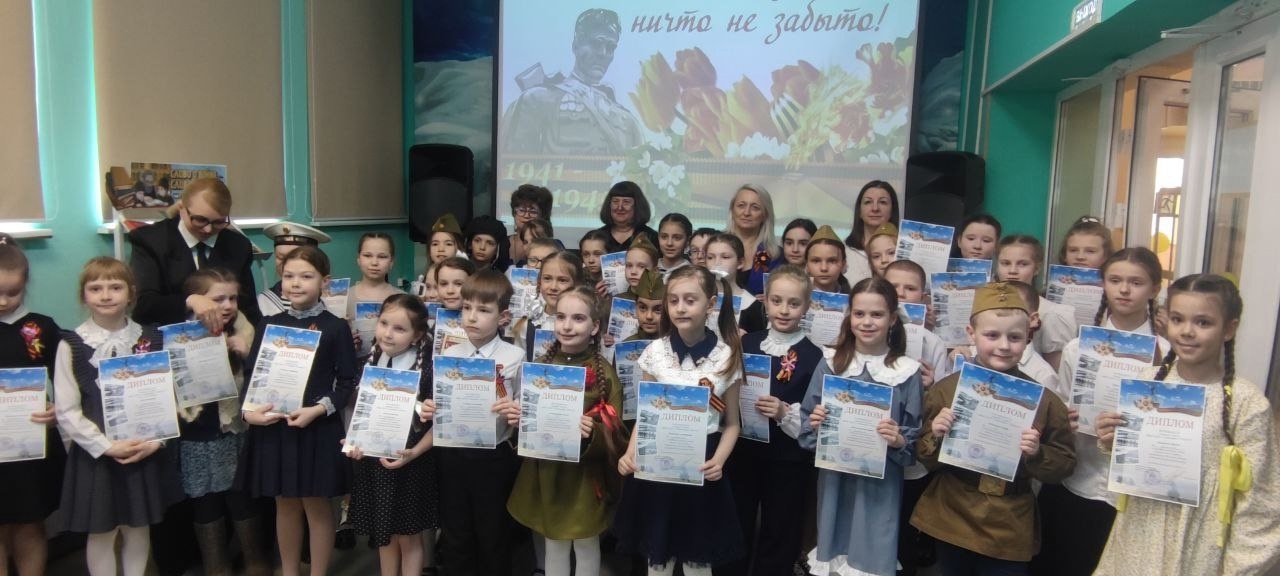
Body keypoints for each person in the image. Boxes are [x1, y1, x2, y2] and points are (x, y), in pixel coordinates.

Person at [1093, 274, 1280, 575]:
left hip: (1201, 544)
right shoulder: (1147, 382)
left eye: (1203, 322)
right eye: (1178, 319)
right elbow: (1136, 467)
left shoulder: (1246, 403)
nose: (1187, 331)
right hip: (1139, 535)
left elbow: (1262, 501)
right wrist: (1114, 441)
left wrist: (1237, 568)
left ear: (1229, 329)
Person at [911, 282, 1076, 575]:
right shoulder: (947, 391)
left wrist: (1037, 453)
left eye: (1014, 337)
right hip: (952, 513)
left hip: (1009, 521)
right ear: (971, 334)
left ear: (1028, 337)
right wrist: (935, 435)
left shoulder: (1044, 401)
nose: (1004, 345)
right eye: (992, 335)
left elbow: (1064, 465)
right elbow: (925, 459)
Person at [1033, 248, 1167, 576]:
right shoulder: (1077, 348)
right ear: (1103, 284)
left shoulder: (1166, 353)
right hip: (1079, 478)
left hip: (1136, 493)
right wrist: (1064, 420)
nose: (1124, 290)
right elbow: (1062, 402)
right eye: (1115, 280)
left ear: (1154, 289)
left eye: (1136, 282)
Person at [613, 265, 746, 574]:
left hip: (702, 465)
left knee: (697, 562)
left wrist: (719, 461)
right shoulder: (655, 352)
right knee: (657, 560)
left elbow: (732, 424)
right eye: (673, 300)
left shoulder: (726, 357)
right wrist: (630, 453)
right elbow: (646, 414)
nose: (680, 308)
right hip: (657, 465)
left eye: (690, 300)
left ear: (710, 304)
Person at [55, 257, 182, 576]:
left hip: (141, 449)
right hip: (97, 455)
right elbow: (66, 410)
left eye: (115, 287)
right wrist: (106, 446)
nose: (106, 295)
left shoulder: (152, 338)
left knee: (138, 528)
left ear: (131, 293)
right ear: (83, 295)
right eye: (96, 288)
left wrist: (156, 442)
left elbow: (169, 397)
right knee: (101, 532)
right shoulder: (71, 344)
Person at [238, 246, 357, 576]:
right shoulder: (269, 325)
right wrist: (249, 413)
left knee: (317, 507)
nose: (296, 283)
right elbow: (252, 375)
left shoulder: (335, 327)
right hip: (275, 428)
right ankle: (289, 571)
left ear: (324, 281)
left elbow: (347, 381)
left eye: (306, 276)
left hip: (316, 428)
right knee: (285, 504)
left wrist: (317, 410)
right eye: (289, 276)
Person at [800, 277, 923, 576]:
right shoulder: (830, 363)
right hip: (835, 480)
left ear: (892, 319)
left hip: (880, 487)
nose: (867, 322)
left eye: (877, 314)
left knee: (871, 559)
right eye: (859, 314)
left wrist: (898, 440)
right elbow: (806, 424)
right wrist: (815, 423)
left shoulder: (906, 372)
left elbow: (914, 437)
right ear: (849, 316)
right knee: (834, 556)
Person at [506, 285, 628, 576]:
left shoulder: (605, 374)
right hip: (548, 472)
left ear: (594, 326)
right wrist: (519, 420)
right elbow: (527, 422)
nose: (567, 326)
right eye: (561, 317)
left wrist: (594, 431)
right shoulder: (539, 369)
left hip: (586, 477)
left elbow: (618, 431)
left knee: (585, 543)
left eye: (578, 318)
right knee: (554, 542)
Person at [418, 270, 525, 576]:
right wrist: (430, 408)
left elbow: (524, 408)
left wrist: (516, 411)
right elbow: (439, 402)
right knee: (456, 530)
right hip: (453, 454)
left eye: (483, 310)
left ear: (503, 317)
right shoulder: (450, 354)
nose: (472, 317)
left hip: (494, 457)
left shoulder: (515, 355)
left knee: (493, 532)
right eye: (467, 308)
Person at [719, 266, 823, 576]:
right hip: (743, 452)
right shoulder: (746, 344)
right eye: (777, 301)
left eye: (794, 303)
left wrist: (783, 412)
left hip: (787, 460)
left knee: (781, 529)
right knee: (735, 523)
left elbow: (814, 417)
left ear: (807, 306)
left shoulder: (815, 356)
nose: (784, 310)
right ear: (766, 302)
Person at [174, 269, 270, 576]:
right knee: (205, 502)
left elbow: (266, 381)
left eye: (232, 298)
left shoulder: (247, 331)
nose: (227, 305)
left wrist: (247, 353)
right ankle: (216, 566)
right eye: (218, 299)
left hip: (237, 431)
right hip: (198, 433)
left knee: (242, 498)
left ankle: (255, 561)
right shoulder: (179, 335)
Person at [345, 295, 439, 576]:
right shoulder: (370, 363)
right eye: (384, 323)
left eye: (399, 328)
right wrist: (354, 442)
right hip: (375, 463)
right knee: (383, 534)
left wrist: (414, 452)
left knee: (408, 538)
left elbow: (438, 426)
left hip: (410, 462)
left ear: (417, 335)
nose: (388, 333)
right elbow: (361, 414)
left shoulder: (428, 369)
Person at [0, 235, 65, 576]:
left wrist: (60, 409)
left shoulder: (42, 327)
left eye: (13, 292)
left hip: (33, 443)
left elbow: (68, 380)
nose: (4, 301)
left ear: (26, 284)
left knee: (30, 522)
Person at [501, 8, 642, 155]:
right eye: (596, 44)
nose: (603, 53)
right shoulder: (537, 99)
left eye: (611, 47)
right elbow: (512, 161)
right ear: (576, 46)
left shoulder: (626, 119)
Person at [882, 259, 947, 576]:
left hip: (912, 459)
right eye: (893, 287)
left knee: (905, 533)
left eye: (910, 288)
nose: (901, 293)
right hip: (872, 450)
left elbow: (943, 403)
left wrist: (931, 385)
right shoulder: (868, 331)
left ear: (923, 296)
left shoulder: (933, 343)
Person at [129, 177, 262, 327]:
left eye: (218, 222)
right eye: (200, 220)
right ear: (182, 209)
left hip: (226, 337)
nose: (208, 229)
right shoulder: (151, 241)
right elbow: (143, 305)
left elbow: (249, 308)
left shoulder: (238, 246)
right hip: (166, 335)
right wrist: (189, 301)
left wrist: (247, 336)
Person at [995, 235, 1077, 371]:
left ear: (1037, 268)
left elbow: (1057, 373)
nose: (1012, 271)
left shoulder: (1051, 314)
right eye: (1005, 263)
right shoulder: (985, 306)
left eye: (1023, 264)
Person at [513, 251, 585, 361]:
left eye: (562, 280)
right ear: (539, 281)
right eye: (547, 278)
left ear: (577, 284)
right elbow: (520, 364)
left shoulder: (585, 324)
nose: (553, 287)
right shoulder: (528, 323)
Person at [257, 221, 332, 318]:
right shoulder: (263, 302)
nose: (286, 264)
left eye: (294, 257)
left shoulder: (330, 300)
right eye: (280, 257)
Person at [348, 233, 405, 356]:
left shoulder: (403, 299)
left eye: (382, 257)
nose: (374, 262)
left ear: (391, 262)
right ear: (358, 259)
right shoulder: (344, 299)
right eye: (367, 255)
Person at [725, 184, 781, 295]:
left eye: (755, 207)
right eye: (741, 206)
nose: (746, 213)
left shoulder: (775, 255)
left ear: (765, 214)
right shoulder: (715, 245)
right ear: (732, 210)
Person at [843, 181, 900, 287]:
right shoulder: (842, 250)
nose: (875, 208)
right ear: (859, 211)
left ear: (892, 210)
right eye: (868, 202)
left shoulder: (904, 250)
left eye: (883, 202)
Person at [591, 181, 659, 254]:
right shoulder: (597, 237)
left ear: (637, 206)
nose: (620, 207)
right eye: (615, 201)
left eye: (626, 202)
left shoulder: (651, 237)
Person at [508, 184, 555, 264]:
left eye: (533, 211)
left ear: (542, 215)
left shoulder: (554, 246)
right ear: (514, 213)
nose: (526, 215)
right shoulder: (502, 242)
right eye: (522, 210)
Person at [806, 225, 850, 295]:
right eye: (816, 261)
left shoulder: (854, 298)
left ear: (843, 264)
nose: (824, 268)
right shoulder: (795, 294)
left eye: (832, 261)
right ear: (807, 264)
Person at [626, 270, 665, 342]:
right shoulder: (626, 345)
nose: (649, 316)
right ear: (635, 307)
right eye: (642, 308)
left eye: (658, 310)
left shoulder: (675, 345)